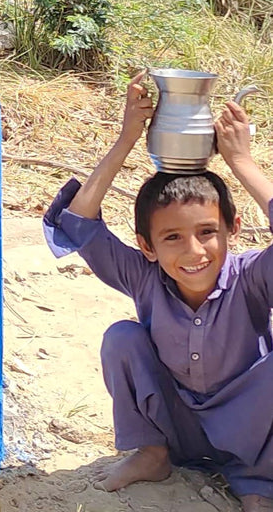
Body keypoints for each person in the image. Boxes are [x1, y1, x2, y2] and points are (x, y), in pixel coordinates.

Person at [43, 71, 273, 511]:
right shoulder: (144, 275)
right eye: (172, 238)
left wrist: (242, 162)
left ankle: (259, 485)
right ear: (146, 246)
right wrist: (128, 138)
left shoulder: (252, 278)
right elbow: (78, 222)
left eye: (208, 232)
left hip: (253, 435)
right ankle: (152, 454)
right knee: (121, 337)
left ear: (233, 229)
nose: (194, 251)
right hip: (178, 427)